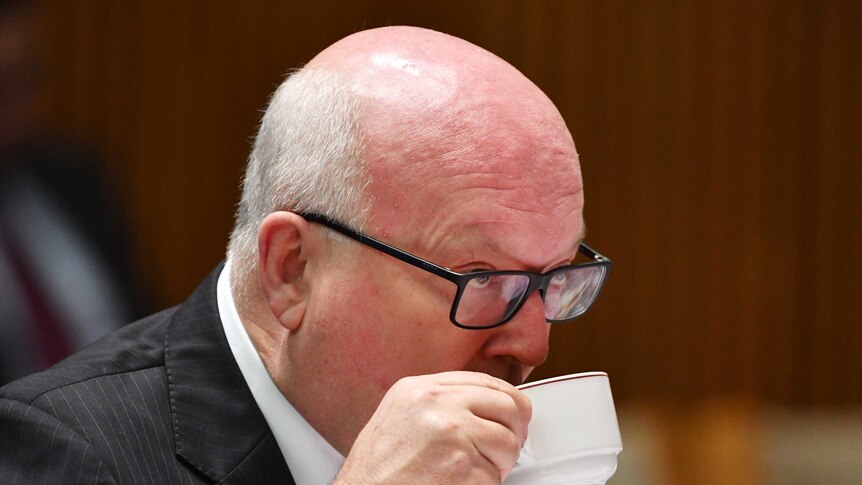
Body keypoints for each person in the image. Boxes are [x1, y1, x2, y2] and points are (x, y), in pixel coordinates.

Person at [0, 26, 611, 484]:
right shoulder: (65, 452)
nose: (533, 347)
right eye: (482, 280)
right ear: (293, 268)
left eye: (556, 279)